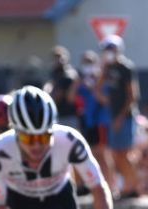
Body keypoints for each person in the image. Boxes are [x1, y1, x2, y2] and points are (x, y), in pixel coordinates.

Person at [95, 35, 140, 199]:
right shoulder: (108, 70)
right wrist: (103, 70)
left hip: (125, 118)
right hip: (113, 118)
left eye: (110, 49)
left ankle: (133, 187)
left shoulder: (126, 68)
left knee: (125, 153)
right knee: (114, 154)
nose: (108, 53)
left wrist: (120, 117)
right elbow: (98, 90)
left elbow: (132, 96)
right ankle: (125, 187)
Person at [70, 50, 113, 190]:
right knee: (85, 154)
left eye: (90, 62)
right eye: (85, 62)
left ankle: (110, 185)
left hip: (99, 122)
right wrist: (77, 83)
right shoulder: (81, 82)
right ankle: (84, 185)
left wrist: (95, 85)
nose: (87, 66)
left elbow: (105, 100)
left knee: (101, 153)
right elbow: (71, 98)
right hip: (86, 122)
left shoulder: (102, 80)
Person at [45, 46, 79, 129]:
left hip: (69, 115)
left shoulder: (70, 74)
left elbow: (69, 98)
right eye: (55, 57)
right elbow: (49, 88)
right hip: (57, 116)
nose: (58, 60)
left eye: (59, 56)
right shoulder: (54, 74)